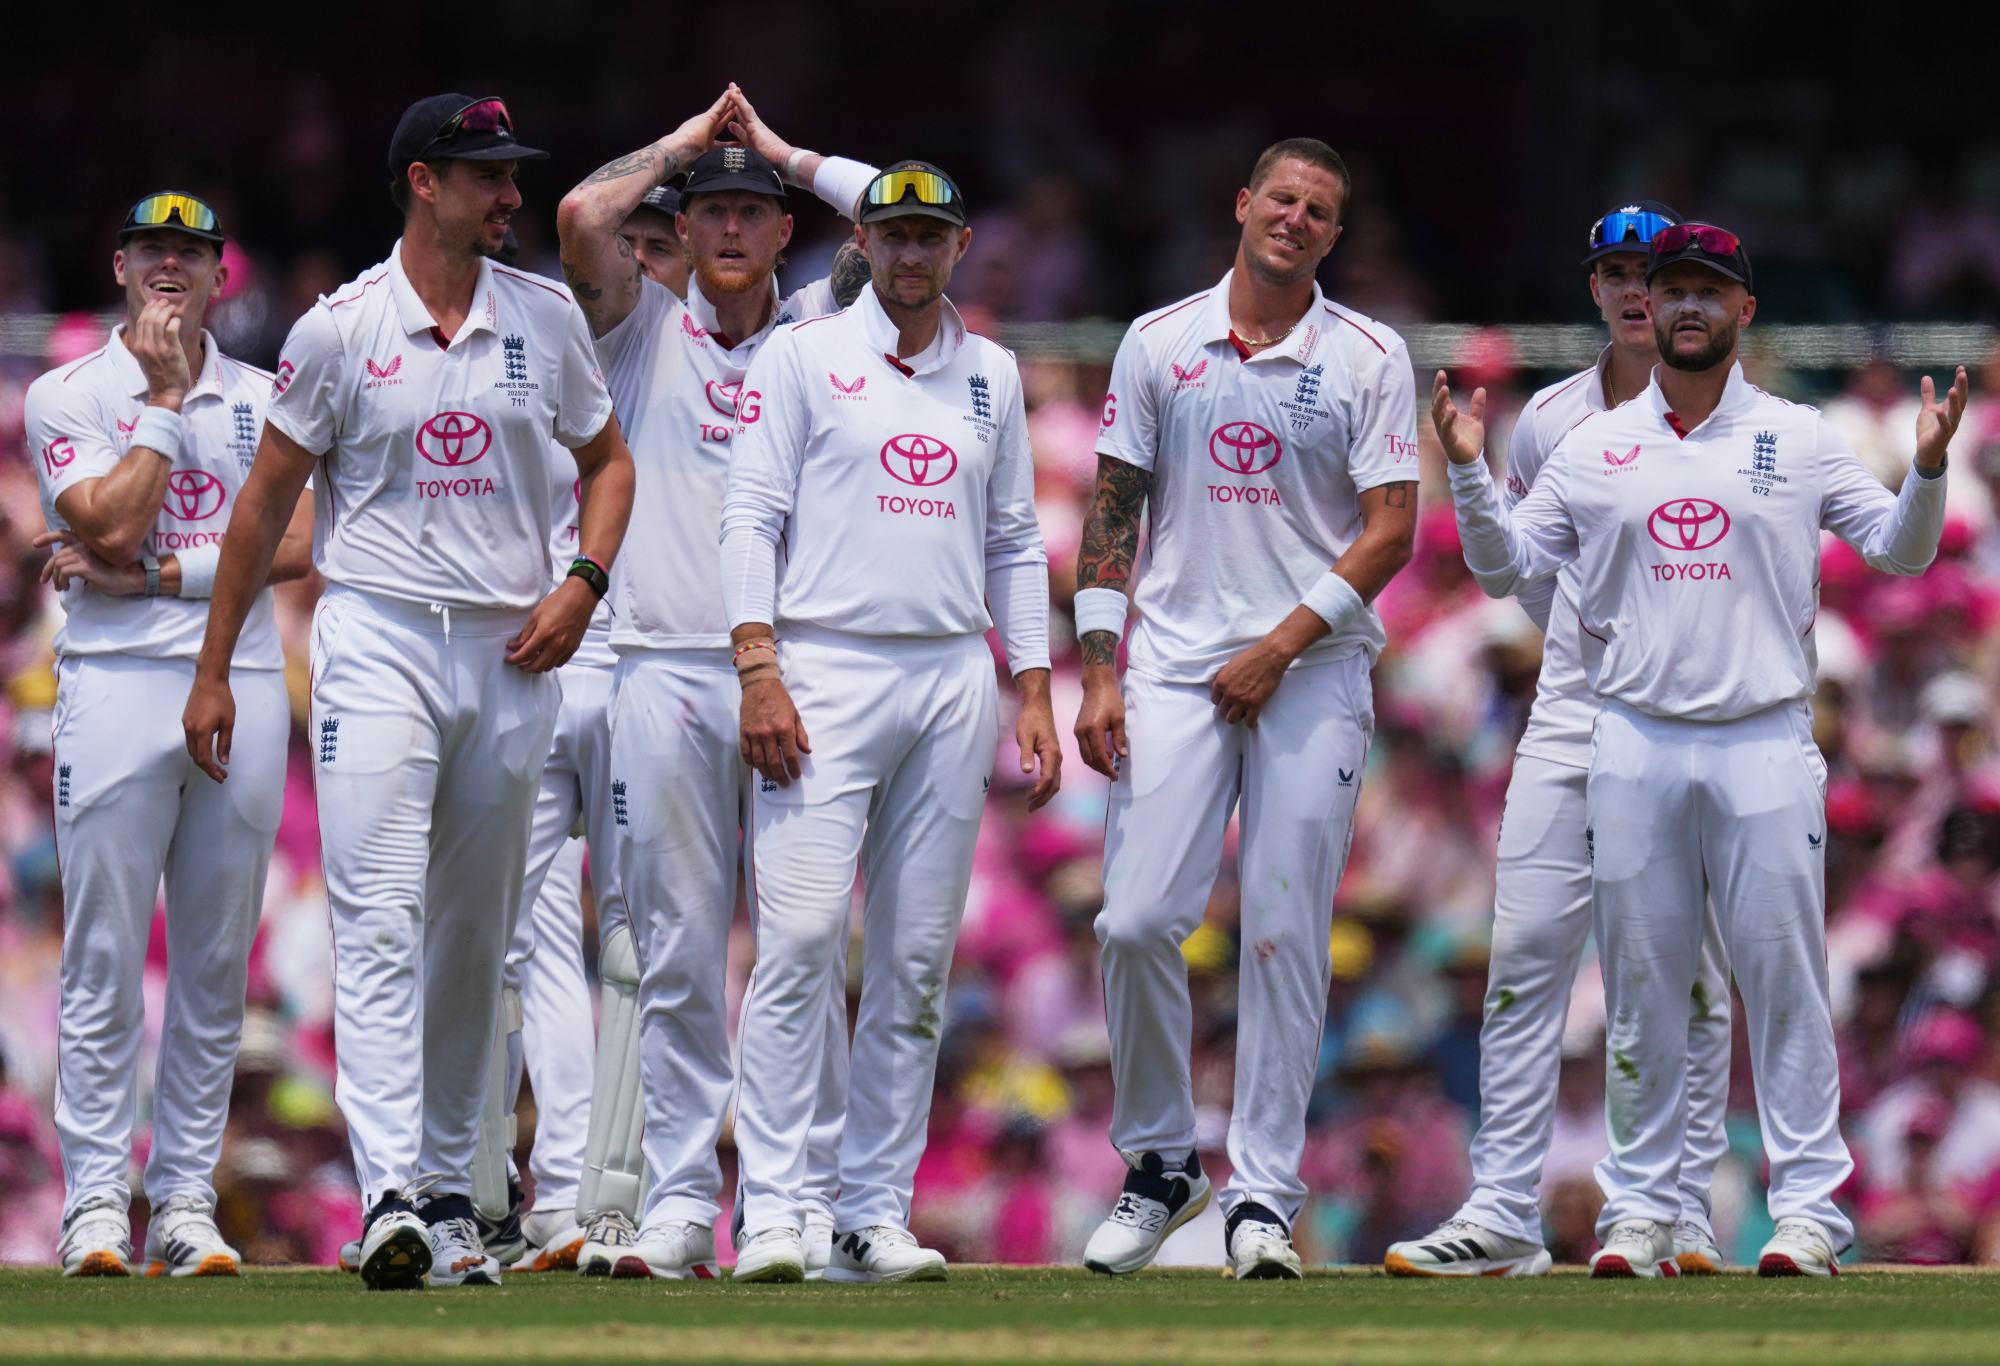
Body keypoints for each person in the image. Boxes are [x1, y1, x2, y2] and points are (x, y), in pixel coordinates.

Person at [1435, 222, 1967, 1278]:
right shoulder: (1590, 442)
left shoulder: (1796, 434)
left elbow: (1900, 554)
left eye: (1706, 293)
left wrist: (1928, 469)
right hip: (1629, 736)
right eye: (1670, 290)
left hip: (1763, 736)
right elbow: (1502, 571)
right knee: (1640, 981)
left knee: (1782, 977)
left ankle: (1809, 1208)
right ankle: (1638, 1212)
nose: (1683, 307)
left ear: (1742, 313)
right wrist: (1465, 473)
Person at [182, 93, 635, 1290]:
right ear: (424, 182)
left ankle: (445, 1193)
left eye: (512, 175)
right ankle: (391, 1188)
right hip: (377, 636)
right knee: (379, 919)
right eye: (489, 175)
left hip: (511, 644)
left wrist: (584, 580)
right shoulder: (339, 331)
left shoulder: (543, 319)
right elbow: (265, 506)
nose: (513, 196)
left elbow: (609, 461)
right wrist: (217, 665)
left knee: (479, 938)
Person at [1070, 137, 1420, 1280]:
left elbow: (1390, 529)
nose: (1296, 219)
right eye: (1282, 197)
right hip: (1171, 660)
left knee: (1279, 932)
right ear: (1242, 203)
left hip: (1309, 668)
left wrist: (1279, 646)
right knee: (1131, 920)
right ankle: (1164, 1163)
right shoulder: (1156, 342)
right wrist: (1099, 663)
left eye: (1319, 210)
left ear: (1332, 233)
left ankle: (1261, 1194)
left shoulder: (1368, 354)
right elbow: (1114, 504)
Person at [554, 85, 879, 1280]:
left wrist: (789, 153)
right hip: (659, 668)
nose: (735, 228)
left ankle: (792, 1202)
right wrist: (692, 145)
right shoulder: (636, 326)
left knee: (798, 946)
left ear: (785, 231)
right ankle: (688, 1196)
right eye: (714, 213)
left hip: (803, 675)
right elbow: (586, 210)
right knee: (678, 949)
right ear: (683, 233)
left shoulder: (818, 332)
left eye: (756, 211)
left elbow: (904, 213)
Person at [721, 159, 1059, 1284]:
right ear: (863, 243)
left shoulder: (993, 376)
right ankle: (774, 1208)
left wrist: (1034, 683)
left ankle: (869, 1212)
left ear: (959, 247)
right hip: (823, 663)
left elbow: (1013, 539)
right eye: (893, 236)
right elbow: (750, 516)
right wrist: (756, 663)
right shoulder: (802, 354)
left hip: (948, 672)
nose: (911, 255)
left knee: (914, 962)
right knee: (804, 943)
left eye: (931, 237)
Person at [1386, 203, 1735, 1278]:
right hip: (1577, 708)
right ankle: (1499, 1208)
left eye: (1653, 271)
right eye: (1617, 272)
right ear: (1592, 289)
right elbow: (1527, 579)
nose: (1637, 290)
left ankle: (1677, 1210)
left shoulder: (1740, 419)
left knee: (1687, 973)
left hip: (1693, 717)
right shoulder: (1546, 422)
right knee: (1525, 954)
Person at [25, 191, 313, 1277]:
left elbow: (299, 539)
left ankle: (186, 1197)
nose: (169, 269)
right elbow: (104, 517)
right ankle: (97, 1200)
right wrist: (157, 401)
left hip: (235, 675)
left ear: (219, 276)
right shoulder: (67, 392)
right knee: (103, 955)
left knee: (211, 963)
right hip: (109, 683)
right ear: (118, 266)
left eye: (190, 254)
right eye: (152, 250)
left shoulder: (264, 395)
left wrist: (156, 577)